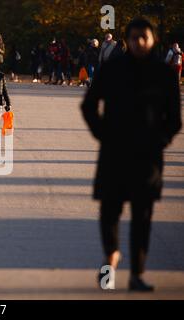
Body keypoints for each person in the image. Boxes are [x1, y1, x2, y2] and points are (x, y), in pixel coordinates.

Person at [81, 18, 182, 292]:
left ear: (153, 40)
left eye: (144, 38)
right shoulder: (112, 69)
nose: (139, 42)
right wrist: (103, 134)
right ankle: (110, 258)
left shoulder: (163, 73)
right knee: (109, 212)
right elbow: (89, 106)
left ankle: (137, 273)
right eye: (134, 37)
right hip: (114, 152)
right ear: (127, 39)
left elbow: (174, 119)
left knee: (143, 217)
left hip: (148, 156)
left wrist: (159, 140)